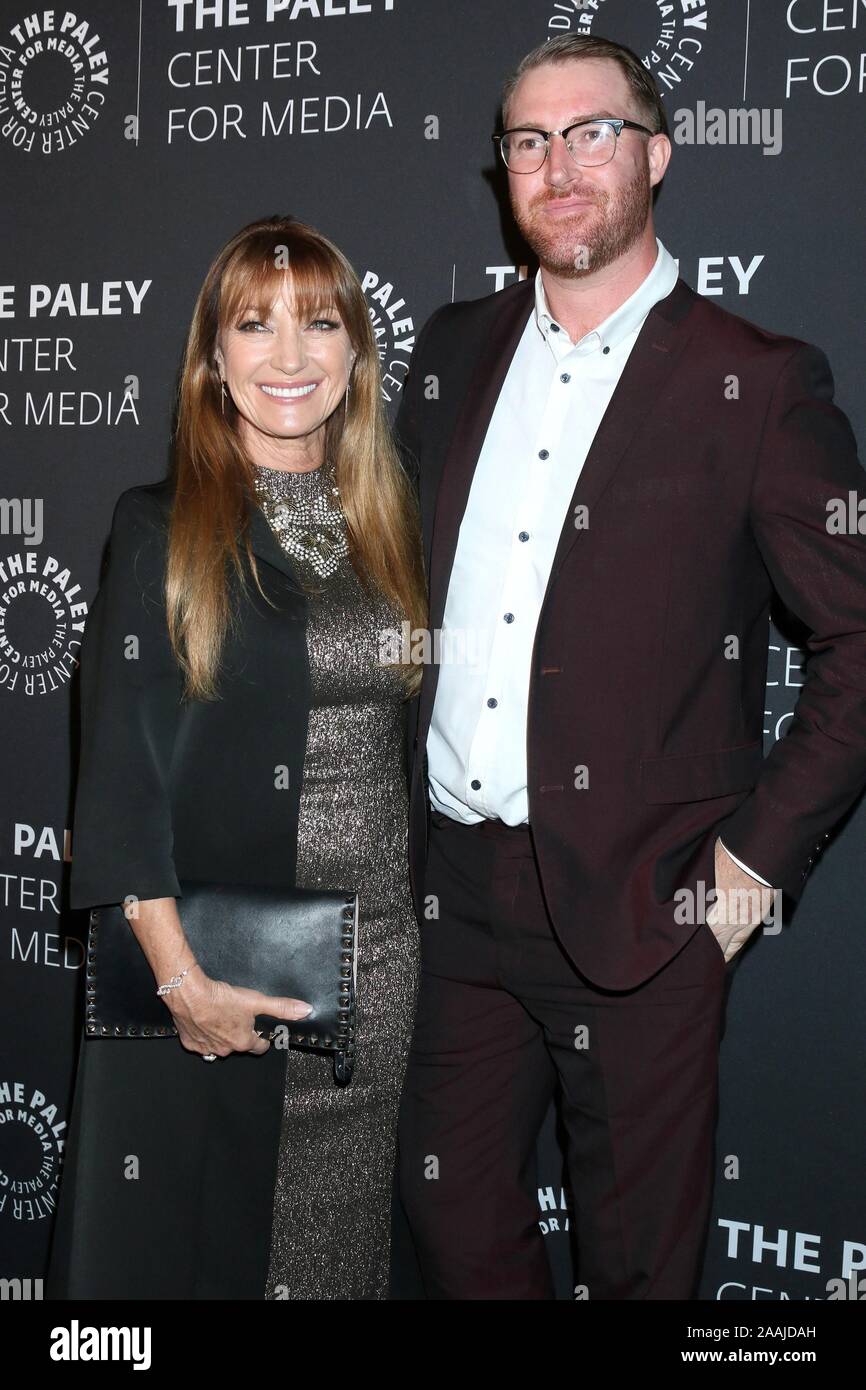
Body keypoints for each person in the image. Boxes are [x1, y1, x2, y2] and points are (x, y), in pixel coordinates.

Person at [394, 34, 866, 1299]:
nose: (559, 166)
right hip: (454, 893)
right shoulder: (444, 355)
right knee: (449, 1226)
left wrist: (743, 878)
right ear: (501, 173)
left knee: (639, 1264)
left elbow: (855, 640)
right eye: (528, 142)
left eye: (590, 132)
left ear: (654, 154)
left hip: (651, 904)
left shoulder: (755, 384)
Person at [47, 215, 424, 1300]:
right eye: (254, 326)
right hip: (227, 959)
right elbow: (120, 773)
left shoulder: (389, 521)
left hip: (383, 960)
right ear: (214, 360)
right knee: (202, 1249)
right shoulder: (162, 526)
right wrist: (179, 979)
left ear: (357, 352)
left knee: (343, 1246)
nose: (290, 357)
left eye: (319, 323)